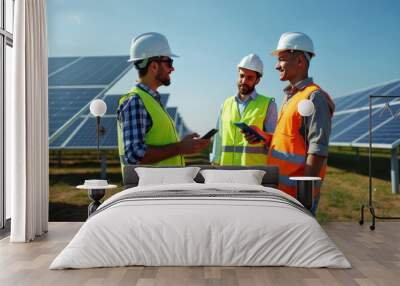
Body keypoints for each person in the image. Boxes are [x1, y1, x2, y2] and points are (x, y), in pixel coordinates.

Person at [257, 32, 335, 214]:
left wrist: (304, 198)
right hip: (283, 193)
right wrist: (267, 139)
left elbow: (317, 150)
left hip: (297, 198)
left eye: (282, 59)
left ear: (300, 61)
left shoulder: (313, 97)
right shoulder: (292, 97)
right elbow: (293, 142)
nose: (277, 66)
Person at [117, 32, 210, 171]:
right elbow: (135, 155)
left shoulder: (150, 100)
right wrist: (180, 148)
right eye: (169, 62)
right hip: (150, 191)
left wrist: (181, 144)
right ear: (154, 66)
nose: (172, 68)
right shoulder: (135, 101)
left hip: (161, 188)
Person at [210, 54, 277, 166]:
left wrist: (260, 137)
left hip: (254, 173)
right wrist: (215, 161)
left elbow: (274, 141)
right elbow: (219, 137)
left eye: (249, 78)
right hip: (226, 170)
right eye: (241, 76)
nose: (244, 80)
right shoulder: (226, 104)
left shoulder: (268, 105)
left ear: (257, 81)